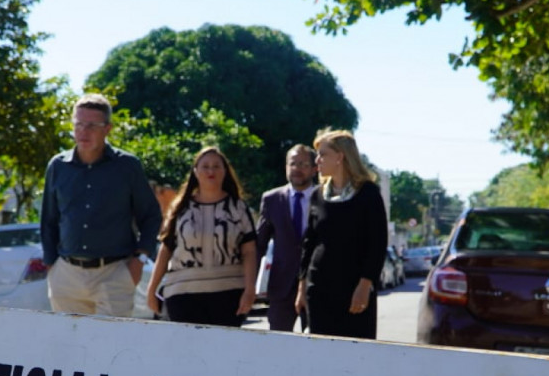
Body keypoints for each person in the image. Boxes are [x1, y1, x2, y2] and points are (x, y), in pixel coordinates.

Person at [40, 93, 162, 317]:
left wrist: (140, 261)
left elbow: (151, 215)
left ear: (107, 129)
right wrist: (51, 266)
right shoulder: (58, 166)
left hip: (115, 273)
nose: (83, 132)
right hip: (66, 276)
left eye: (92, 126)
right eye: (78, 124)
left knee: (110, 339)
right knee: (68, 338)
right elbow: (48, 220)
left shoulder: (127, 166)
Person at [146, 147, 257, 327]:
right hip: (182, 294)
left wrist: (250, 289)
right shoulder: (180, 208)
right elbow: (166, 249)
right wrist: (152, 290)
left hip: (229, 293)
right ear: (195, 172)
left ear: (225, 171)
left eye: (216, 166)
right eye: (205, 166)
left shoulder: (237, 208)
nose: (210, 171)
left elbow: (249, 251)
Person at [296, 129, 388, 340]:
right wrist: (301, 287)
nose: (317, 161)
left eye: (323, 154)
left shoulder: (368, 194)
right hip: (318, 288)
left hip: (354, 289)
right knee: (320, 350)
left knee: (356, 350)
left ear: (340, 156)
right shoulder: (317, 195)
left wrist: (365, 286)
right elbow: (309, 243)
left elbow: (377, 244)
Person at [256, 144, 318, 332]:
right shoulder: (271, 199)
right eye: (293, 164)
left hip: (315, 284)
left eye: (303, 164)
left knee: (317, 341)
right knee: (278, 342)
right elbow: (259, 244)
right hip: (281, 286)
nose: (297, 169)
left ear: (314, 168)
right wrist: (248, 284)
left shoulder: (324, 198)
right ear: (286, 167)